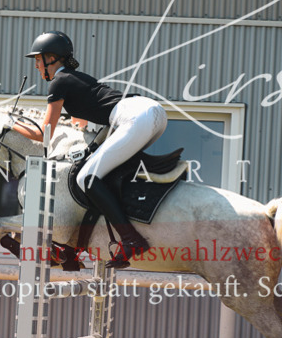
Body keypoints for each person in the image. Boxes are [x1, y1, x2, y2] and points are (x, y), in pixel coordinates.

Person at [12, 31, 167, 269]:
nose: (35, 65)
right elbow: (81, 126)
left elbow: (44, 135)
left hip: (136, 117)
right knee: (105, 172)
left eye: (38, 59)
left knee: (88, 178)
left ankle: (131, 239)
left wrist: (12, 126)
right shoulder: (74, 80)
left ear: (51, 59)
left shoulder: (59, 82)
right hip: (153, 114)